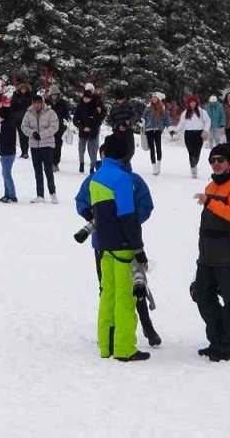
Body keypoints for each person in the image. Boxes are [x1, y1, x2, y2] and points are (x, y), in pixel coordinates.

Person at [75, 140, 160, 348]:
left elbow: (145, 205)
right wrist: (104, 220)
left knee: (130, 287)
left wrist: (122, 222)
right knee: (117, 288)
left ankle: (142, 328)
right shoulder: (99, 179)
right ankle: (115, 336)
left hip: (115, 239)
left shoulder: (129, 179)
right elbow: (82, 203)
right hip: (114, 242)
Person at [192, 143, 230, 362]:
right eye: (212, 160)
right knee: (202, 295)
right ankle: (216, 339)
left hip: (228, 254)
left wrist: (211, 203)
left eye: (220, 160)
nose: (216, 164)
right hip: (207, 254)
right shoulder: (211, 186)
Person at [21, 96, 59, 204]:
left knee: (48, 170)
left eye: (39, 103)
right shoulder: (28, 113)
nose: (37, 105)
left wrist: (41, 135)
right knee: (37, 170)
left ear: (42, 103)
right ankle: (40, 195)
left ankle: (52, 193)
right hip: (34, 145)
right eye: (35, 103)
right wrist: (32, 133)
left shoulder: (50, 112)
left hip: (47, 144)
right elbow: (24, 126)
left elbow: (54, 127)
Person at [175, 96, 211, 179]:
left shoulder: (202, 112)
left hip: (199, 134)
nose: (192, 104)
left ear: (196, 102)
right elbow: (181, 123)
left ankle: (195, 164)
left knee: (197, 152)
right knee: (191, 152)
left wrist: (205, 130)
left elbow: (208, 121)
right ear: (189, 103)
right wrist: (176, 130)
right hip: (188, 134)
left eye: (194, 102)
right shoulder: (185, 113)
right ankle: (193, 168)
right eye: (191, 102)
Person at [73, 89, 105, 174]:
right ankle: (81, 163)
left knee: (93, 150)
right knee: (81, 149)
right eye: (85, 98)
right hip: (83, 131)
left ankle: (92, 167)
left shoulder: (96, 105)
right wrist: (82, 127)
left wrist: (92, 128)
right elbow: (75, 120)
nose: (86, 99)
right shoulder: (79, 107)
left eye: (88, 98)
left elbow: (99, 120)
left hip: (93, 131)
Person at [142, 96, 171, 176]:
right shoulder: (148, 108)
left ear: (158, 99)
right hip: (149, 130)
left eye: (155, 98)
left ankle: (158, 165)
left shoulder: (162, 108)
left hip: (158, 130)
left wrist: (167, 127)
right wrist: (142, 123)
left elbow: (166, 119)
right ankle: (154, 166)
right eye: (152, 98)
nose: (154, 99)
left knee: (158, 147)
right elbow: (143, 118)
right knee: (152, 149)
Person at [0, 109, 18, 203]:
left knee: (7, 174)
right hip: (6, 152)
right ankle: (7, 194)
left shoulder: (8, 124)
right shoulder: (9, 123)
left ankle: (12, 195)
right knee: (5, 174)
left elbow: (6, 138)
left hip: (8, 152)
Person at [10, 82, 35, 159]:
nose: (23, 90)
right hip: (18, 118)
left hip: (27, 118)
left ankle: (25, 152)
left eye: (24, 89)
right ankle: (23, 152)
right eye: (21, 89)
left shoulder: (30, 96)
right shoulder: (16, 95)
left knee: (26, 135)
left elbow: (32, 106)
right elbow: (12, 106)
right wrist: (12, 116)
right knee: (21, 135)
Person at [49, 93, 70, 172]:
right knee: (50, 145)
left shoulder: (62, 102)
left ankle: (56, 162)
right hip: (49, 127)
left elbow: (66, 114)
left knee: (58, 146)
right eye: (52, 95)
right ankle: (50, 163)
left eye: (55, 95)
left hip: (60, 127)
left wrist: (66, 119)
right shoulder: (47, 102)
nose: (54, 96)